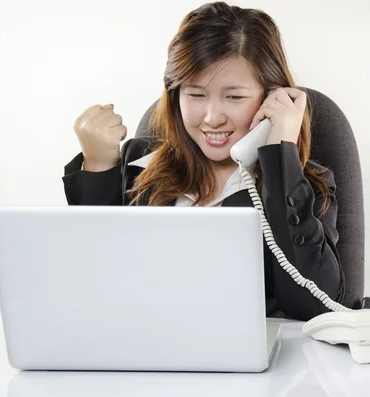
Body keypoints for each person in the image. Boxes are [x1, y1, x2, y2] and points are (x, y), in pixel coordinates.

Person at [62, 1, 345, 321]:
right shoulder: (139, 168)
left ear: (271, 97)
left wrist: (280, 159)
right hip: (149, 359)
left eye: (234, 97)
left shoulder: (302, 187)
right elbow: (97, 288)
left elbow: (316, 308)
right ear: (175, 96)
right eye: (196, 95)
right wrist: (99, 166)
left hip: (260, 366)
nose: (212, 118)